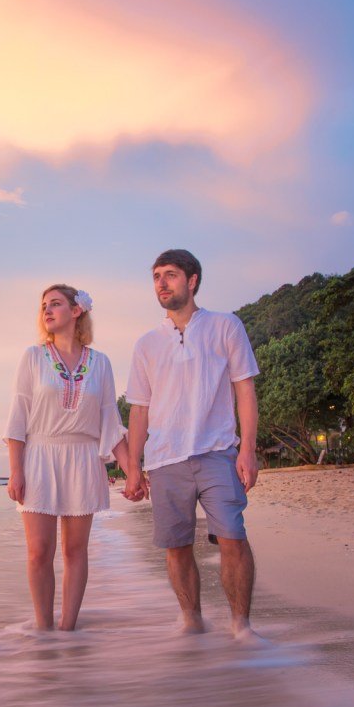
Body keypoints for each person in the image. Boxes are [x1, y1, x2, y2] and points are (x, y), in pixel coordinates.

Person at [123, 250, 260, 638]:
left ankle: (241, 626)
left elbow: (245, 390)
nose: (161, 283)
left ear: (192, 280)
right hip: (165, 459)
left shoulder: (225, 326)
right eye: (156, 277)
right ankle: (191, 620)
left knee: (233, 538)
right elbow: (138, 411)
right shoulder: (146, 344)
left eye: (170, 275)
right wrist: (133, 466)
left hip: (217, 452)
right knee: (176, 545)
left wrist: (247, 449)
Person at [5, 284, 130, 631]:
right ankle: (44, 631)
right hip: (40, 455)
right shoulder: (32, 356)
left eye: (56, 304)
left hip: (83, 457)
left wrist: (132, 471)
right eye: (44, 305)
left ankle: (68, 629)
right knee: (39, 552)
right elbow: (18, 416)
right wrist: (16, 470)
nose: (47, 310)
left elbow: (110, 421)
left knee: (75, 551)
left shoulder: (100, 363)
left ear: (76, 311)